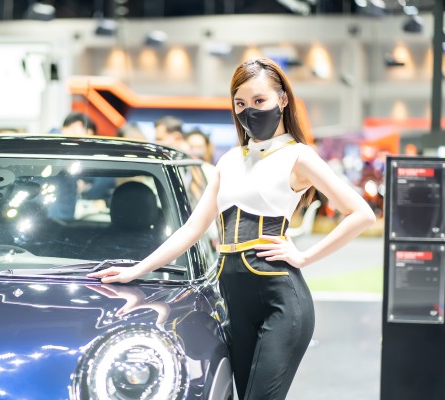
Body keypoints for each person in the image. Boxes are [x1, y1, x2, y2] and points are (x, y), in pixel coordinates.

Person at [88, 58, 376, 400]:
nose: (249, 111)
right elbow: (192, 229)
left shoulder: (299, 157)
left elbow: (361, 214)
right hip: (234, 303)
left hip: (281, 303)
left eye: (259, 101)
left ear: (283, 100)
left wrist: (304, 257)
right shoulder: (229, 161)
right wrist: (136, 270)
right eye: (240, 103)